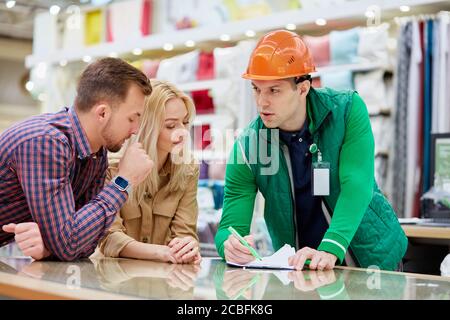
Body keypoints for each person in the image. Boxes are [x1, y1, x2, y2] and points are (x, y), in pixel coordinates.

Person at [214, 30, 408, 271]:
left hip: (372, 263)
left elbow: (357, 184)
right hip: (304, 270)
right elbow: (229, 227)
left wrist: (330, 248)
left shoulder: (347, 111)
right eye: (256, 89)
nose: (262, 102)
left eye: (274, 91)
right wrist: (230, 246)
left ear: (303, 88)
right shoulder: (247, 146)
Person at [0, 58, 154, 261]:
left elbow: (84, 244)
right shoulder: (46, 143)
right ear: (102, 113)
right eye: (132, 118)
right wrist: (122, 181)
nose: (135, 130)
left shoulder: (97, 154)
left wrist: (50, 246)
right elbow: (70, 244)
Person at [96, 80, 201, 264]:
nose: (182, 132)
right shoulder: (110, 168)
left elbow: (184, 233)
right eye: (171, 125)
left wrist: (187, 246)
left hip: (164, 282)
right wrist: (161, 253)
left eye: (185, 123)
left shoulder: (188, 170)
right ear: (147, 127)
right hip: (113, 280)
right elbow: (108, 238)